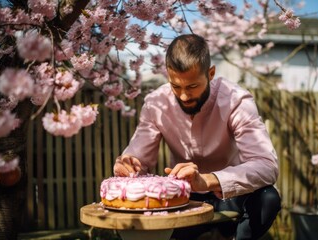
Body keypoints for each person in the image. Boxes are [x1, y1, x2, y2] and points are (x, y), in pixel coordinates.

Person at [113, 34, 281, 240]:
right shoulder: (155, 103)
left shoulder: (237, 100)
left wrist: (209, 180)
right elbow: (139, 157)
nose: (184, 96)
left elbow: (267, 164)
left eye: (192, 86)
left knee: (268, 198)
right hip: (182, 198)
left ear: (210, 74)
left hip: (231, 195)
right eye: (176, 86)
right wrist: (130, 164)